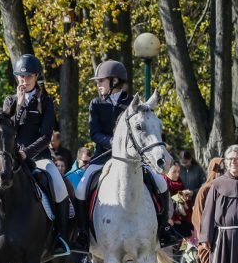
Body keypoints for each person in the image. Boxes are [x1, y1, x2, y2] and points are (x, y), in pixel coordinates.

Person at [72, 60, 183, 251]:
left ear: (114, 81)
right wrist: (116, 145)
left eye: (102, 81)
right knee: (82, 189)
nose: (98, 85)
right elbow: (94, 133)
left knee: (161, 182)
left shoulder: (132, 104)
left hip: (134, 159)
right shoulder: (96, 103)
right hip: (103, 157)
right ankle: (82, 233)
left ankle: (164, 229)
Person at [0, 54, 72, 258]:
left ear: (36, 77)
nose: (24, 81)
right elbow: (8, 130)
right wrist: (21, 105)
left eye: (28, 77)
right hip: (10, 157)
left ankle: (60, 237)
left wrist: (27, 152)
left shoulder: (46, 101)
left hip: (39, 157)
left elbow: (46, 136)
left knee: (59, 186)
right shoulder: (10, 101)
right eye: (21, 77)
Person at [190, 157, 225, 263]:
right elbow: (197, 218)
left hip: (224, 237)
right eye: (219, 170)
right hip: (207, 239)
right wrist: (205, 238)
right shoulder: (205, 190)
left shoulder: (225, 189)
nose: (222, 173)